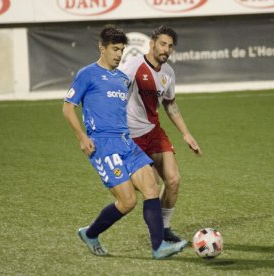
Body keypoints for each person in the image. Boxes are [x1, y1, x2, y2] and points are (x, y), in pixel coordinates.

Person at [62, 25, 187, 259]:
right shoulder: (87, 74)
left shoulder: (122, 78)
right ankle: (90, 233)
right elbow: (68, 108)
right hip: (103, 145)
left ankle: (158, 247)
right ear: (103, 48)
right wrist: (82, 137)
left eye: (122, 50)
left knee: (151, 187)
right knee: (128, 201)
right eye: (115, 50)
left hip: (126, 141)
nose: (119, 55)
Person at [120, 26, 201, 243]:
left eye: (170, 46)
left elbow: (170, 105)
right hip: (131, 136)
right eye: (163, 44)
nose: (166, 49)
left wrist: (186, 134)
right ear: (152, 43)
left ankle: (163, 230)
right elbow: (115, 95)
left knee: (173, 181)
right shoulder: (133, 65)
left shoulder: (168, 74)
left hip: (154, 132)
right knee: (151, 188)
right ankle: (155, 236)